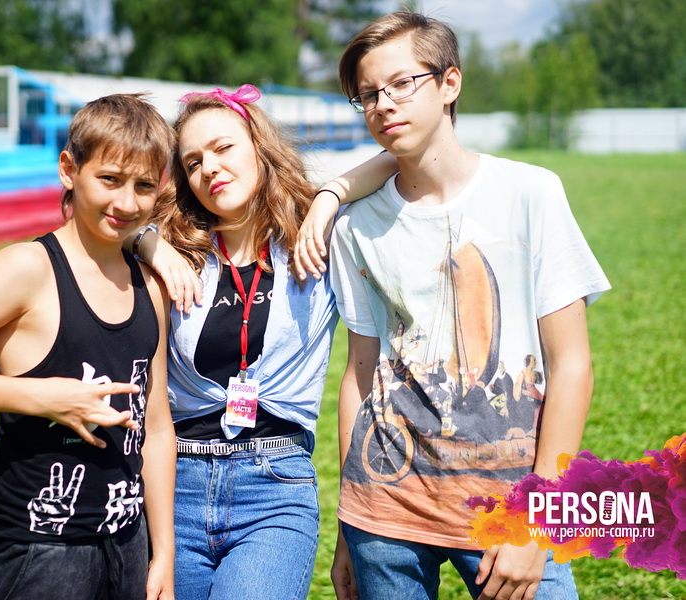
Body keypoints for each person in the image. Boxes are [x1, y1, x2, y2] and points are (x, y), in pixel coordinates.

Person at [320, 11, 611, 600]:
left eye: (402, 84)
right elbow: (360, 374)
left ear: (450, 83)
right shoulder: (355, 227)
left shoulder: (531, 193)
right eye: (369, 94)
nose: (383, 104)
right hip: (385, 516)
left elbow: (571, 365)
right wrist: (350, 522)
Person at [0, 94, 176, 600]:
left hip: (128, 542)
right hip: (38, 550)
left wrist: (163, 550)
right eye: (110, 179)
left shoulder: (149, 285)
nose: (127, 203)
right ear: (69, 170)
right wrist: (43, 397)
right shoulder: (27, 268)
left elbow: (156, 425)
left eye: (144, 186)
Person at [130, 84, 396, 600]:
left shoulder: (317, 239)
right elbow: (95, 217)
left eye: (223, 147)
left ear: (259, 147)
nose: (209, 168)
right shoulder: (177, 248)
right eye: (193, 162)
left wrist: (328, 197)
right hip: (176, 484)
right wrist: (149, 243)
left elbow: (396, 159)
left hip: (274, 487)